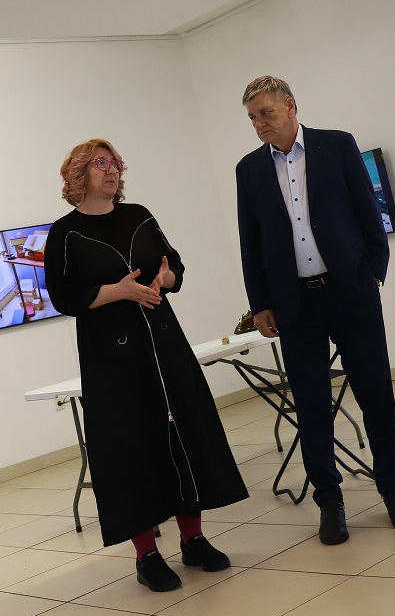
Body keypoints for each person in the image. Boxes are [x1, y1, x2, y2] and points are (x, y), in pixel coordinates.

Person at [44, 139, 248, 592]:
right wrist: (117, 292)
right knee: (131, 448)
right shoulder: (65, 233)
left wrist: (165, 278)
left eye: (116, 162)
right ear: (78, 174)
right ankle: (147, 555)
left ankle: (194, 539)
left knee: (182, 435)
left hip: (164, 344)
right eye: (101, 163)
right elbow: (62, 296)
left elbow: (174, 266)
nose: (112, 170)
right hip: (113, 359)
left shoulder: (139, 215)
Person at [234, 76, 395, 546]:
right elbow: (250, 242)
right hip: (294, 305)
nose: (259, 124)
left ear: (290, 106)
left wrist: (374, 272)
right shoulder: (249, 170)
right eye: (252, 117)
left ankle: (392, 488)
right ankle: (330, 502)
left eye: (266, 113)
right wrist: (260, 304)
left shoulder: (336, 146)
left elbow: (368, 211)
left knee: (375, 393)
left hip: (351, 292)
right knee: (312, 406)